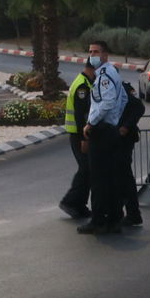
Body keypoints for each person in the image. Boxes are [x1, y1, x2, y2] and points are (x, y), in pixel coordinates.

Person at [80, 39, 127, 235]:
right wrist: (116, 119)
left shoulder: (105, 75)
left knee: (98, 179)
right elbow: (123, 98)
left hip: (101, 131)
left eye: (96, 52)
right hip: (110, 130)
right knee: (111, 177)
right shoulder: (111, 72)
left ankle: (98, 221)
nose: (92, 55)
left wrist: (91, 123)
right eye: (90, 52)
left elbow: (107, 102)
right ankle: (114, 219)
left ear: (105, 55)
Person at [58, 62, 96, 220]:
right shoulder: (82, 86)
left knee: (87, 170)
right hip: (79, 134)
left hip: (79, 134)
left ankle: (80, 205)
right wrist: (84, 138)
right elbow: (81, 115)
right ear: (92, 69)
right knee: (86, 169)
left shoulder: (85, 82)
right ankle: (70, 201)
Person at [117, 82, 146, 226]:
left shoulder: (120, 88)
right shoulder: (103, 88)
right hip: (111, 139)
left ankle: (133, 214)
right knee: (116, 178)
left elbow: (139, 106)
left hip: (123, 141)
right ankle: (117, 212)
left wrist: (126, 126)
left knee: (124, 177)